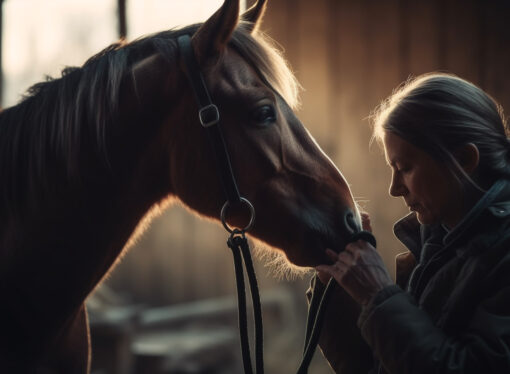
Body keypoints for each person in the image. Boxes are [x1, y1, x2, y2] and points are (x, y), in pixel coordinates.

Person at [311, 72, 510, 373]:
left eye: (404, 167)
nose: (394, 189)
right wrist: (337, 290)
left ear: (465, 160)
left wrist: (379, 296)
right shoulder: (436, 244)